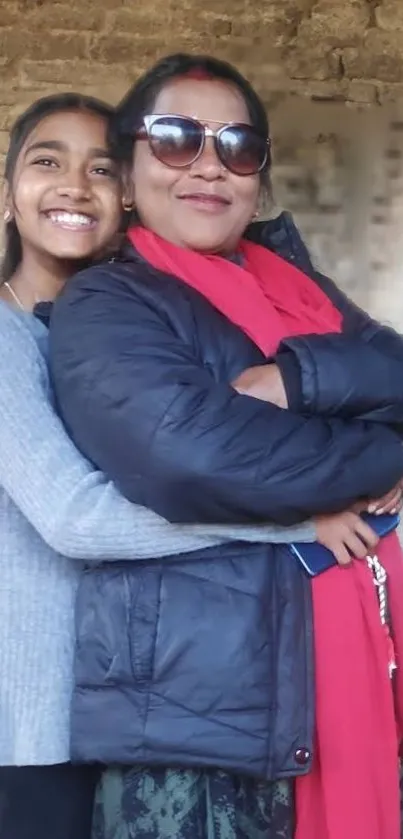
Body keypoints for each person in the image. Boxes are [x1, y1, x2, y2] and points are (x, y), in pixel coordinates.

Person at [48, 55, 403, 839]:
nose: (210, 164)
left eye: (238, 145)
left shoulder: (296, 283)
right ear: (130, 175)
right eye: (177, 138)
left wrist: (296, 379)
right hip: (201, 709)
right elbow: (194, 458)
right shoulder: (107, 304)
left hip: (341, 671)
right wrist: (387, 451)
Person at [0, 92, 337, 839]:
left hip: (127, 707)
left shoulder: (113, 341)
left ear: (127, 193)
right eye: (45, 161)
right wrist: (295, 522)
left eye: (101, 167)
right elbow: (74, 518)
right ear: (7, 192)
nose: (74, 185)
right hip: (31, 729)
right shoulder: (4, 337)